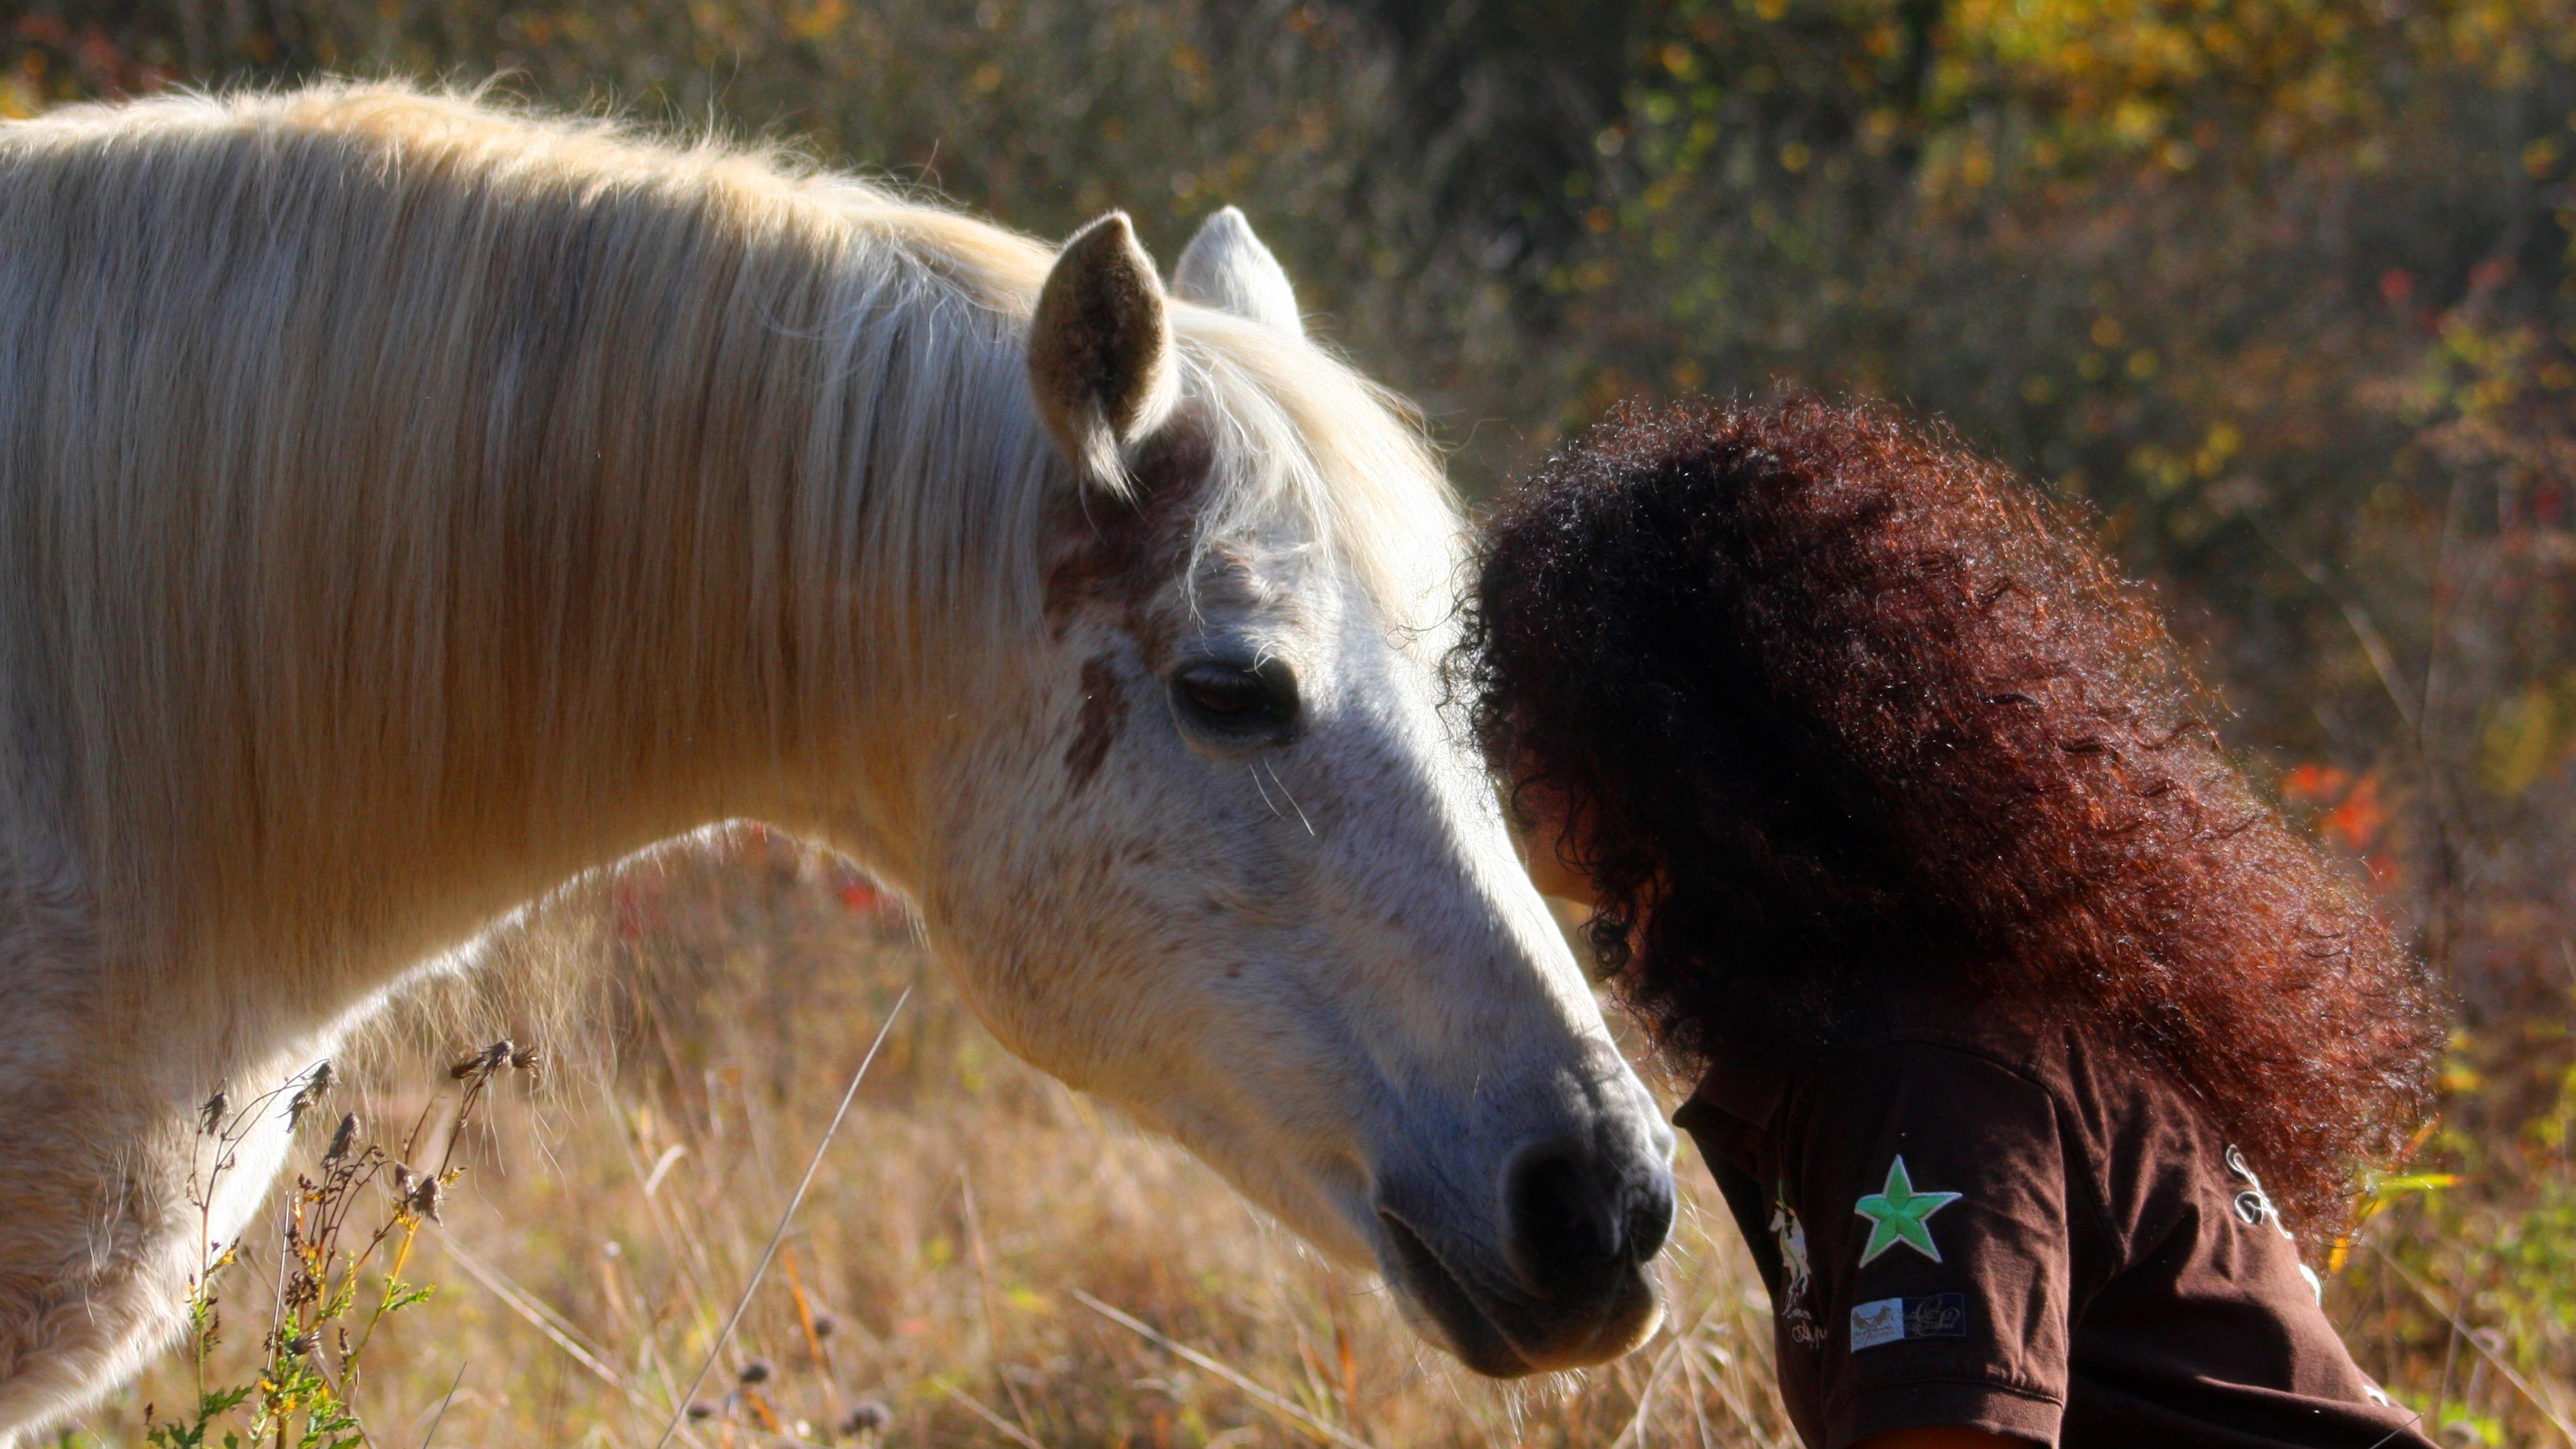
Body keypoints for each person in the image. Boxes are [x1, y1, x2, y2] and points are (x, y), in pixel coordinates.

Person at [1456, 397, 2442, 1449]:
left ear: (1681, 737)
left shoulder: (1915, 1067)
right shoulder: (1872, 1025)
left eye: (1546, 700)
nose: (1501, 738)